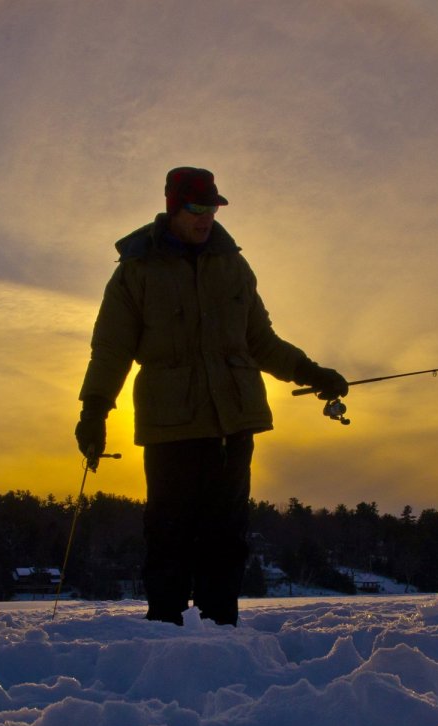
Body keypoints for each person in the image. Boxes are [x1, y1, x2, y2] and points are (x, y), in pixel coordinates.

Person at [75, 167, 347, 626]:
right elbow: (111, 349)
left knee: (227, 535)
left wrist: (310, 371)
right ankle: (165, 627)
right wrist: (95, 410)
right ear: (173, 208)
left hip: (233, 424)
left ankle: (221, 629)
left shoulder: (233, 265)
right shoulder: (136, 271)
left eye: (212, 208)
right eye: (196, 209)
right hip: (171, 428)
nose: (206, 219)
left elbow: (260, 340)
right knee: (169, 532)